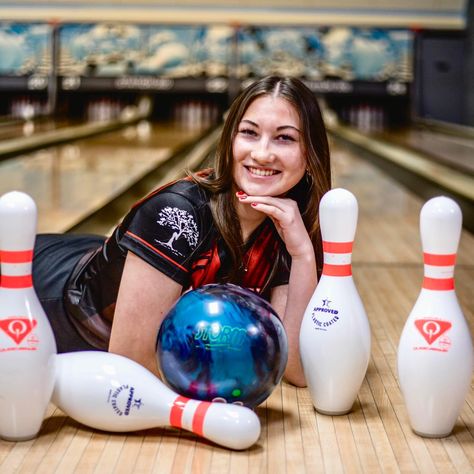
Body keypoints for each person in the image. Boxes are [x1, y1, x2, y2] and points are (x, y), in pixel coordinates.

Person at [32, 75, 331, 387]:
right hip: (42, 293)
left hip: (95, 258)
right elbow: (130, 367)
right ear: (229, 140)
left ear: (310, 154)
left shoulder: (291, 222)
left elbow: (294, 368)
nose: (262, 153)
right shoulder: (176, 213)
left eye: (285, 138)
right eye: (249, 133)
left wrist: (302, 255)